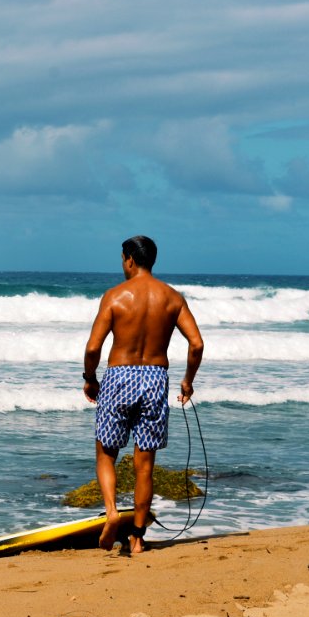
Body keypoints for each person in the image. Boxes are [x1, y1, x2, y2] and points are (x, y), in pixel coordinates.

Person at [82, 235, 204, 554]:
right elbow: (197, 344)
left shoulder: (114, 297)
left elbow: (94, 347)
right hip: (155, 378)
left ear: (130, 260)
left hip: (119, 375)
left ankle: (111, 513)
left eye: (122, 260)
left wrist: (90, 378)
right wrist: (187, 381)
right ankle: (136, 537)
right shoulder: (172, 298)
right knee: (145, 463)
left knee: (106, 453)